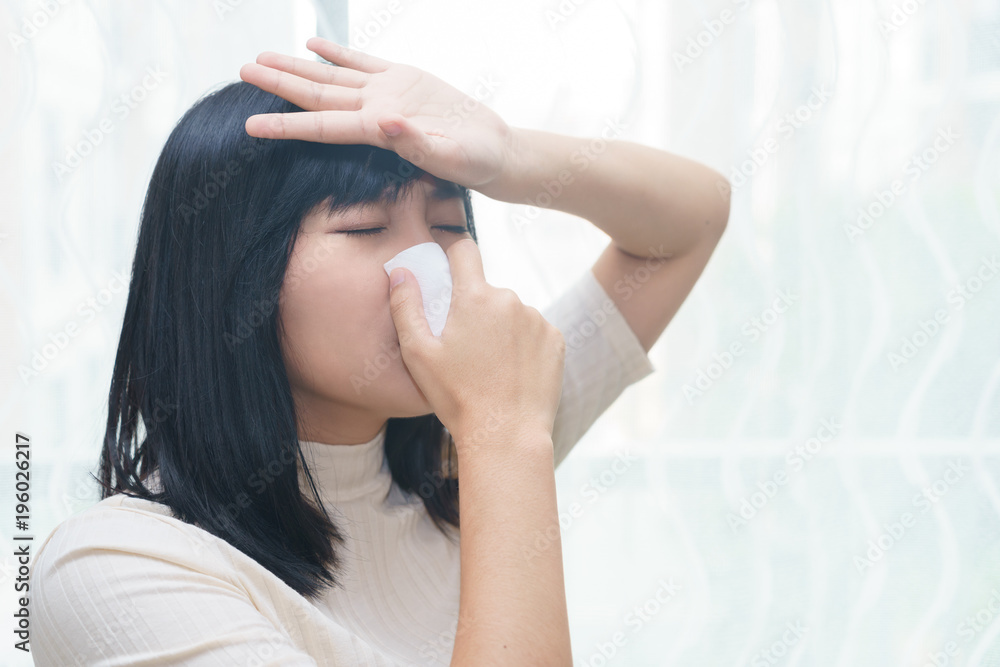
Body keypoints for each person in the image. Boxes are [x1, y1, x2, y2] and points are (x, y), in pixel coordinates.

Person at [28, 36, 729, 665]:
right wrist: (506, 434)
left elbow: (692, 218)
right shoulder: (112, 568)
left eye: (452, 222)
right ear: (235, 278)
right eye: (365, 227)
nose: (432, 263)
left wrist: (507, 152)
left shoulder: (458, 458)